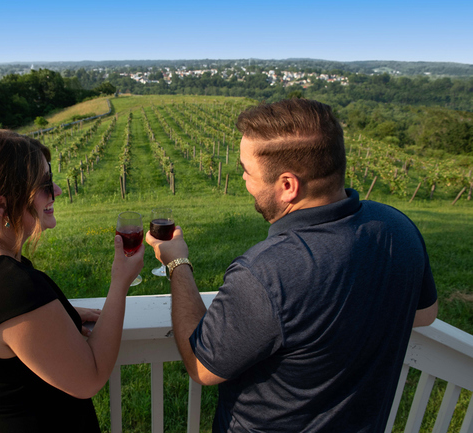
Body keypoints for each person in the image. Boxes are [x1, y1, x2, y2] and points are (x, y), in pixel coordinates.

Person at [146, 99, 438, 432]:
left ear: (287, 185)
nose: (243, 179)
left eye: (246, 170)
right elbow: (424, 314)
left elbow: (202, 367)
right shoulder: (397, 227)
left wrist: (177, 262)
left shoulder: (266, 272)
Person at [0, 129, 144, 433]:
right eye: (44, 185)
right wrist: (120, 282)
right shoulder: (11, 291)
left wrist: (59, 316)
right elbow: (91, 377)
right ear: (1, 206)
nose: (56, 191)